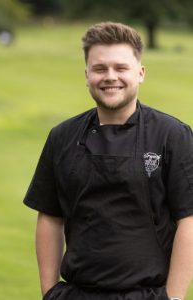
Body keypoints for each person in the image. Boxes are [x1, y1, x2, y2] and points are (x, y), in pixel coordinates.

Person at [23, 22, 193, 300]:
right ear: (87, 74)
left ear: (140, 73)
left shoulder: (172, 135)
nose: (110, 76)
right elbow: (50, 216)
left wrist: (173, 298)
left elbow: (189, 220)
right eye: (100, 68)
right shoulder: (62, 136)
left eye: (121, 68)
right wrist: (50, 291)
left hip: (148, 295)